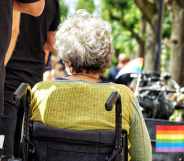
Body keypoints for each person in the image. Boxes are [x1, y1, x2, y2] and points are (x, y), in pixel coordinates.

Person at [31, 10, 152, 161]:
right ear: (106, 56)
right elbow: (144, 157)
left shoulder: (40, 92)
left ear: (66, 58)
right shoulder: (123, 96)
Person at [2, 0, 60, 159]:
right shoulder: (53, 3)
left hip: (9, 73)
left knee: (4, 138)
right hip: (34, 76)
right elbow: (52, 42)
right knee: (26, 133)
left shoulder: (12, 4)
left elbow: (13, 31)